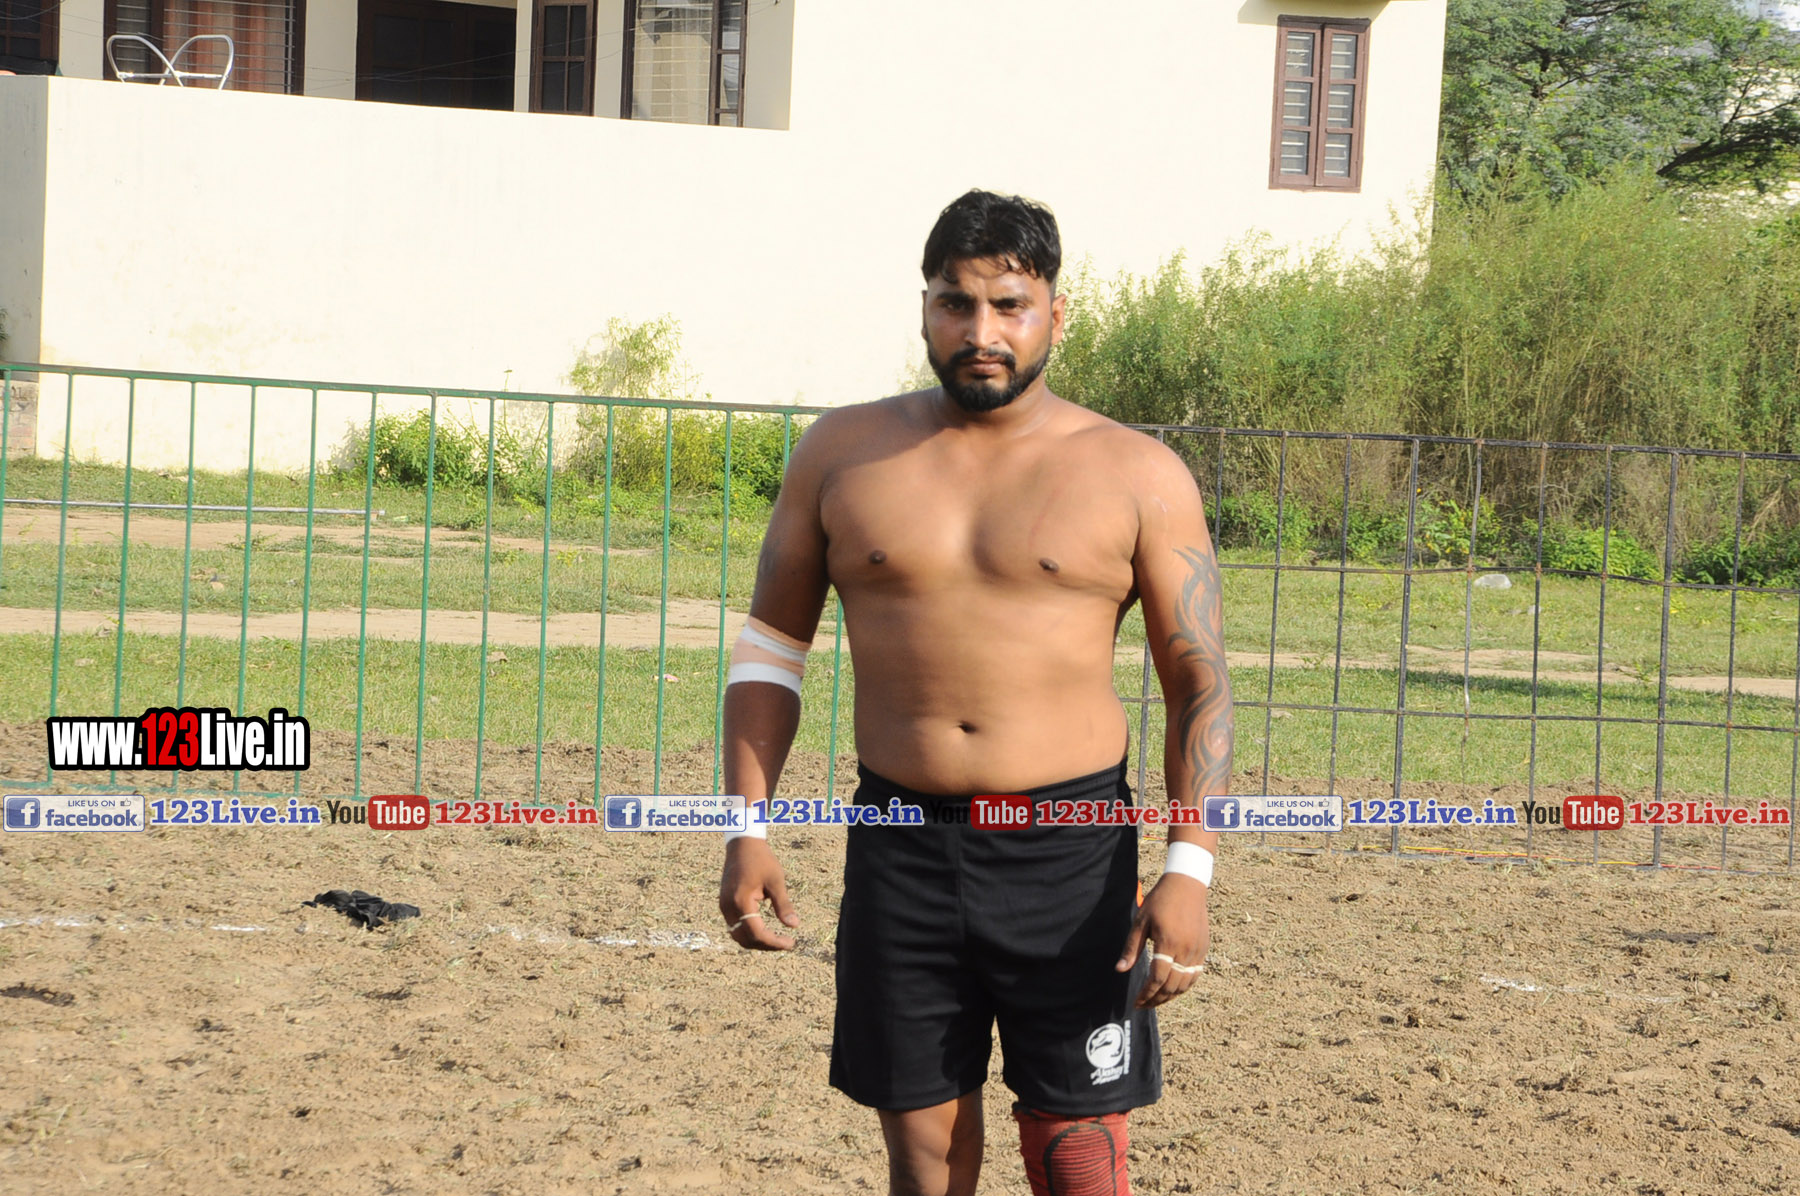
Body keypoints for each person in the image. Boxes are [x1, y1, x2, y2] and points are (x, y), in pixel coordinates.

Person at [717, 189, 1234, 1196]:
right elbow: (772, 651)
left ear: (1056, 314)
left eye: (1009, 305)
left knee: (1079, 1154)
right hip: (901, 844)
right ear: (924, 307)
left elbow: (1198, 681)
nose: (981, 332)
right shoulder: (841, 454)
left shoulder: (1136, 471)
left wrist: (1190, 868)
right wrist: (747, 827)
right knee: (925, 1156)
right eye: (956, 303)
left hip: (1069, 852)